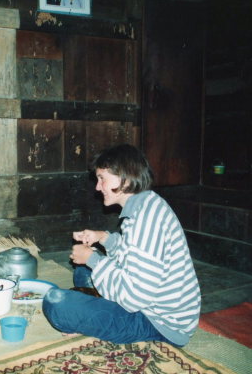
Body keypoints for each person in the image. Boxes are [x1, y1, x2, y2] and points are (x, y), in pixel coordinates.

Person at [42, 144, 201, 346]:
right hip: (149, 302)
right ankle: (94, 310)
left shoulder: (146, 219)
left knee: (57, 303)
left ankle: (91, 317)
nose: (97, 187)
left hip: (160, 322)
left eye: (102, 178)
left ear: (124, 179)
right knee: (82, 273)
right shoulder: (146, 204)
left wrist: (93, 258)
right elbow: (132, 254)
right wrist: (103, 238)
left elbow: (133, 298)